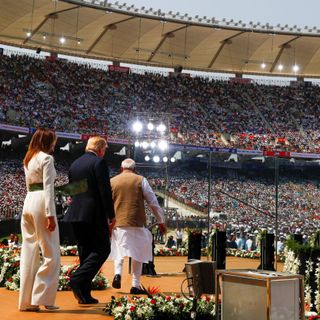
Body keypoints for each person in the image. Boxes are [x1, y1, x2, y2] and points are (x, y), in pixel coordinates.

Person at [64, 136, 115, 304]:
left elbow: (72, 190)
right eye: (105, 149)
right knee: (103, 249)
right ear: (100, 148)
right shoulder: (98, 163)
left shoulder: (74, 164)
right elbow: (104, 191)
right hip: (93, 214)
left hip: (76, 214)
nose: (104, 153)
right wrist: (111, 215)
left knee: (85, 252)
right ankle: (78, 278)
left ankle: (84, 295)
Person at [109, 158, 166, 294]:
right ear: (134, 169)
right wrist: (161, 221)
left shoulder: (112, 181)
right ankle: (135, 285)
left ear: (121, 168)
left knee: (119, 250)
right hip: (137, 222)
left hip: (118, 222)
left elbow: (106, 205)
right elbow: (153, 202)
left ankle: (118, 274)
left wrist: (108, 223)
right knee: (138, 254)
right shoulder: (141, 180)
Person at [19, 128, 60, 312]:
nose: (55, 145)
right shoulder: (47, 158)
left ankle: (26, 302)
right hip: (42, 202)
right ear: (47, 142)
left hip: (28, 201)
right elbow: (49, 188)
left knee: (29, 253)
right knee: (51, 253)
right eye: (53, 141)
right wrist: (50, 214)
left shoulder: (28, 159)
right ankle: (42, 298)